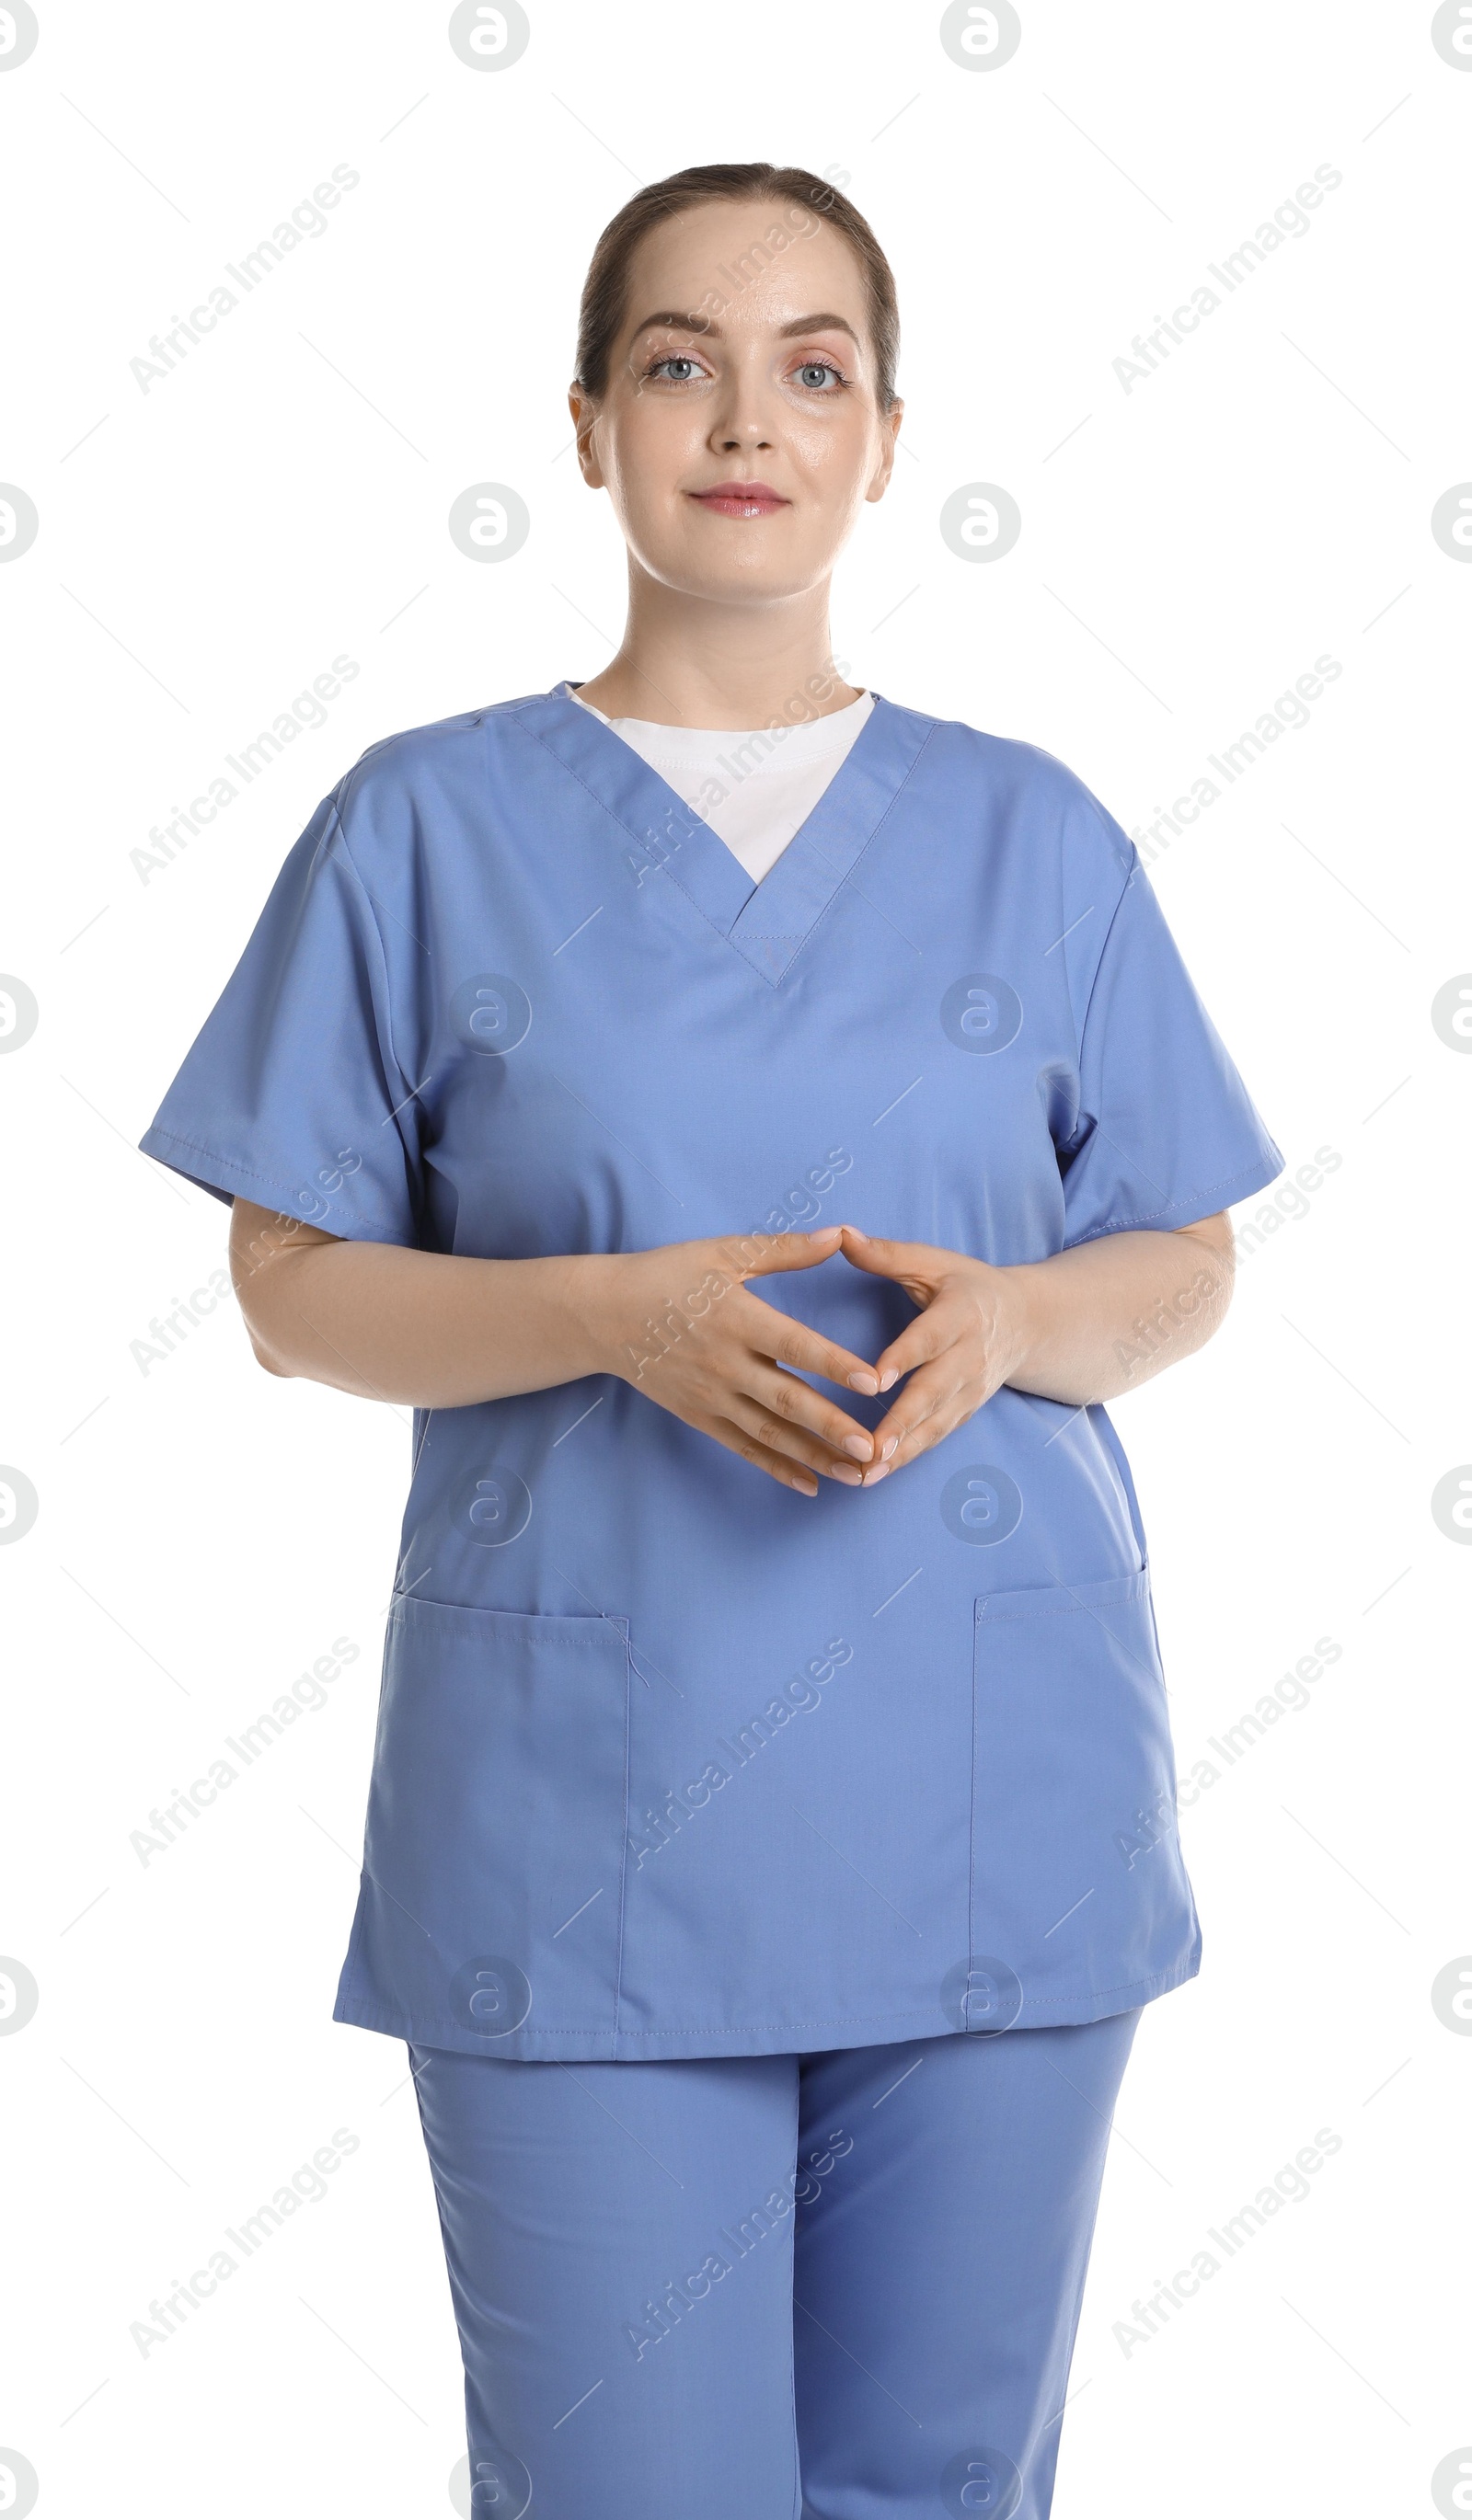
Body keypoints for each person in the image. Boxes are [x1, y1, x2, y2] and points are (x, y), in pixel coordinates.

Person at [139, 162, 1283, 2520]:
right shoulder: (422, 824)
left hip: (993, 1805)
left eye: (809, 367)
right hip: (582, 1838)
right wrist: (601, 1316)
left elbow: (1181, 1254)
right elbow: (283, 1293)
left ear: (882, 435)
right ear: (583, 426)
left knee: (931, 2488)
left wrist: (1023, 1317)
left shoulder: (1031, 834)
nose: (742, 417)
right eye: (677, 360)